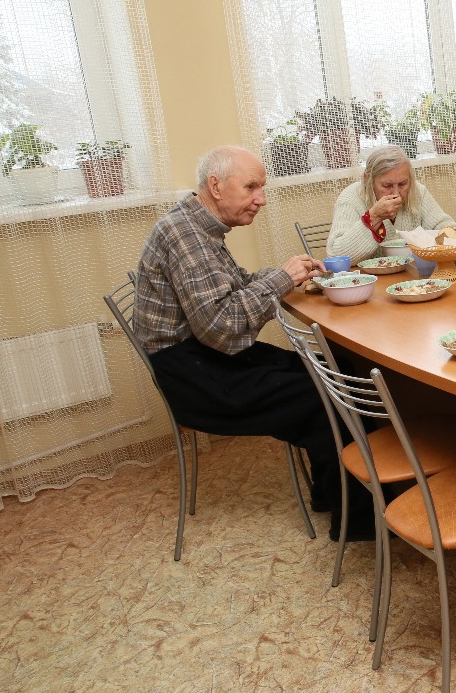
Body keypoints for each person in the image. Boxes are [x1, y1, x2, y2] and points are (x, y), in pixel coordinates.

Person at [133, 145, 374, 541]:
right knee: (329, 391)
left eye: (261, 187)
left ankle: (334, 495)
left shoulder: (198, 226)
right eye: (251, 187)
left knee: (335, 371)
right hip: (195, 374)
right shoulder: (186, 236)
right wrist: (281, 280)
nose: (260, 198)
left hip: (205, 356)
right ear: (215, 185)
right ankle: (357, 519)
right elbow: (222, 328)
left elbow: (233, 288)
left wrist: (286, 274)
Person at [326, 145, 456, 262]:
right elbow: (336, 256)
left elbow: (442, 226)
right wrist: (374, 217)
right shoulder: (351, 198)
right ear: (368, 180)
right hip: (372, 282)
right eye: (387, 185)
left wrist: (455, 233)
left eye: (402, 184)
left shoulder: (416, 191)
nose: (396, 194)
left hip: (414, 279)